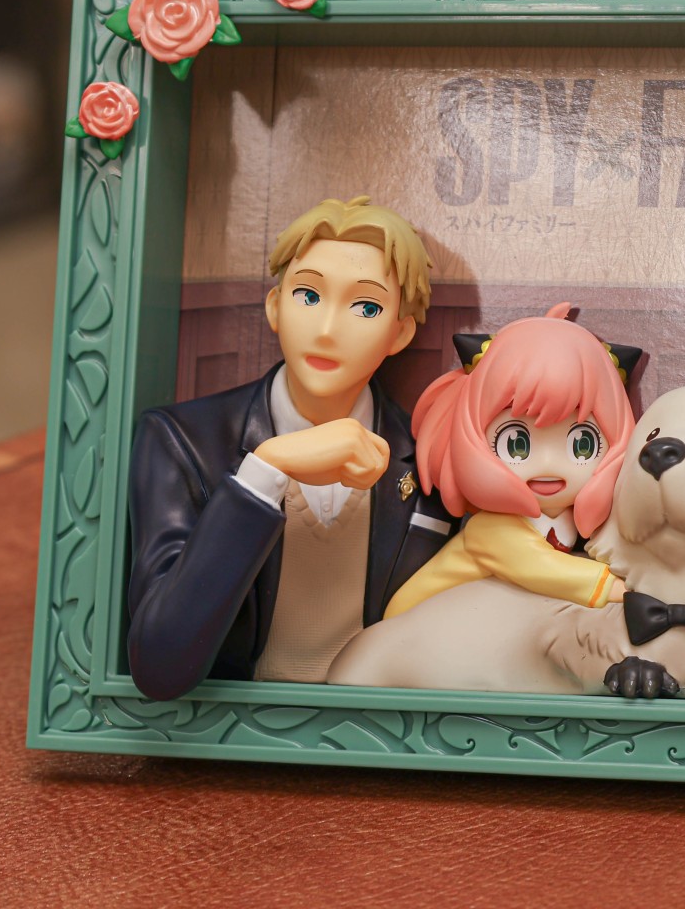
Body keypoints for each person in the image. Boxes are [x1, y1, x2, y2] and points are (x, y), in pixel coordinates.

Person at [126, 197, 456, 699]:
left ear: (400, 332)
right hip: (231, 730)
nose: (327, 330)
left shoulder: (430, 456)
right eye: (308, 295)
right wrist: (263, 473)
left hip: (382, 729)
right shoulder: (181, 440)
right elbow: (159, 665)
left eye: (366, 307)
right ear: (275, 307)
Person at [380, 305, 635, 618]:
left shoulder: (571, 523)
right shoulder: (492, 529)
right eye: (516, 444)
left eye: (582, 445)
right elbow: (547, 570)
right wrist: (627, 591)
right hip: (415, 626)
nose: (547, 464)